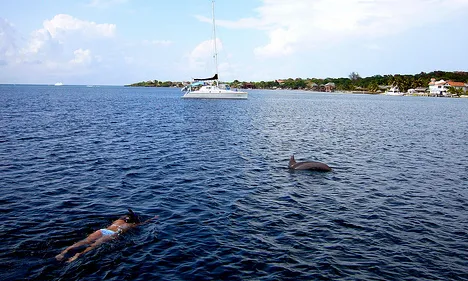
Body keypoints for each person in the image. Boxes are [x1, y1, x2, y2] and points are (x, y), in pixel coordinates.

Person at [56, 209, 157, 262]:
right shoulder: (131, 225)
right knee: (93, 246)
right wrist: (152, 219)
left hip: (103, 230)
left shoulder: (119, 220)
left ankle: (62, 253)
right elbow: (143, 223)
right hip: (113, 234)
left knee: (84, 241)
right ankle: (77, 256)